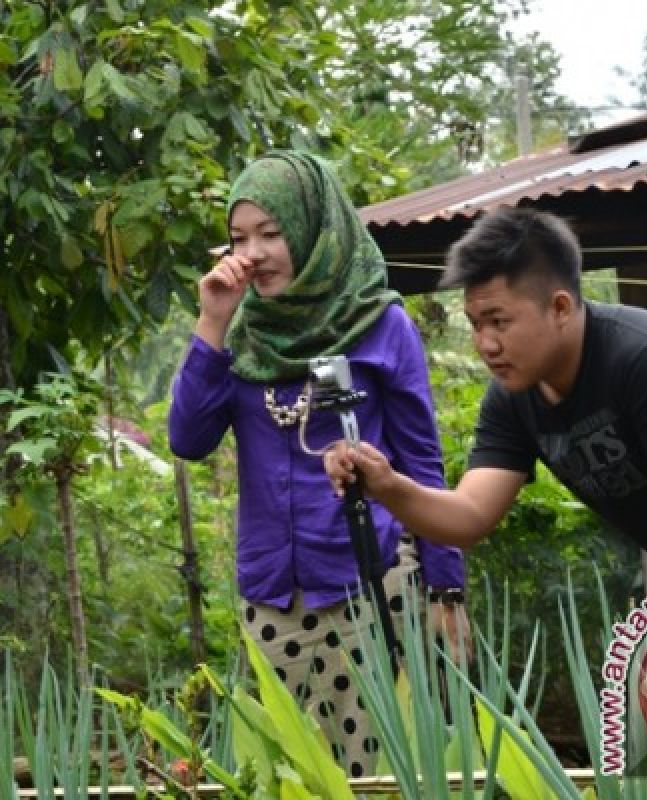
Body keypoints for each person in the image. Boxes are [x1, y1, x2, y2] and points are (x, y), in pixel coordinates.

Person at [325, 206, 647, 648]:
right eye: (476, 324)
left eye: (499, 322)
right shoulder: (513, 397)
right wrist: (387, 485)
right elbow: (469, 517)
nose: (485, 344)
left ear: (561, 306)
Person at [168, 151, 467, 777]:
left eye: (271, 234)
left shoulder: (380, 324)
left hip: (368, 587)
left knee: (373, 775)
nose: (254, 253)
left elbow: (422, 460)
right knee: (285, 778)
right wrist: (213, 320)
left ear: (313, 229)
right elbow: (189, 440)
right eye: (239, 237)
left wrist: (447, 589)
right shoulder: (244, 332)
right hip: (269, 599)